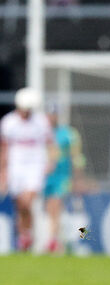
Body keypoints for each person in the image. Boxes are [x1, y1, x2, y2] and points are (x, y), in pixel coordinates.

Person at [0, 88, 54, 252]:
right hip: (16, 167)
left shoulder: (41, 122)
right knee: (20, 205)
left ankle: (26, 235)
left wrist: (50, 162)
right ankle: (24, 236)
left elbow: (50, 143)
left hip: (35, 166)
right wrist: (3, 170)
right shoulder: (8, 122)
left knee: (27, 200)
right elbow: (5, 148)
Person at [43, 105, 85, 253]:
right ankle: (57, 240)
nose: (51, 117)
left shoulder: (68, 133)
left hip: (62, 177)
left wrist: (77, 178)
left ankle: (53, 241)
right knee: (50, 208)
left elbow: (77, 157)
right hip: (45, 178)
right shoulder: (42, 132)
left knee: (56, 205)